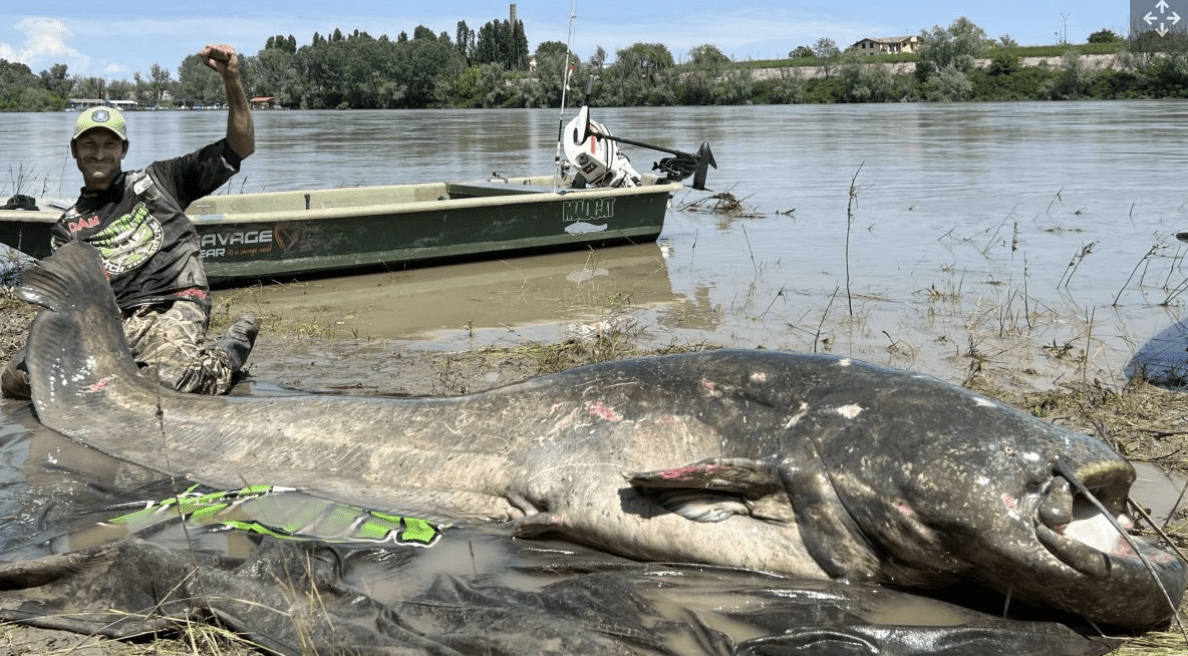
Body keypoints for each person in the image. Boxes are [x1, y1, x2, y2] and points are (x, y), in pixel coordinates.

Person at [2, 44, 258, 400]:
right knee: (18, 381)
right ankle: (134, 365)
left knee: (171, 384)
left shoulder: (160, 180)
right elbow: (73, 300)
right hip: (113, 321)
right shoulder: (67, 228)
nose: (100, 153)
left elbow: (240, 146)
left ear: (123, 149)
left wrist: (231, 79)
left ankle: (228, 352)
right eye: (89, 144)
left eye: (110, 144)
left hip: (174, 302)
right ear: (74, 151)